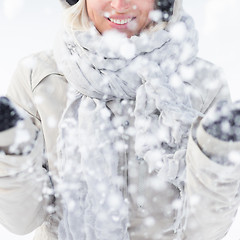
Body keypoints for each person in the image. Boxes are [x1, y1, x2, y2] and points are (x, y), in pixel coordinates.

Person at [0, 0, 240, 239]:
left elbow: (206, 231)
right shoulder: (39, 78)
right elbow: (21, 220)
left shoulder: (202, 84)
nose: (119, 4)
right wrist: (11, 145)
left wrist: (216, 151)